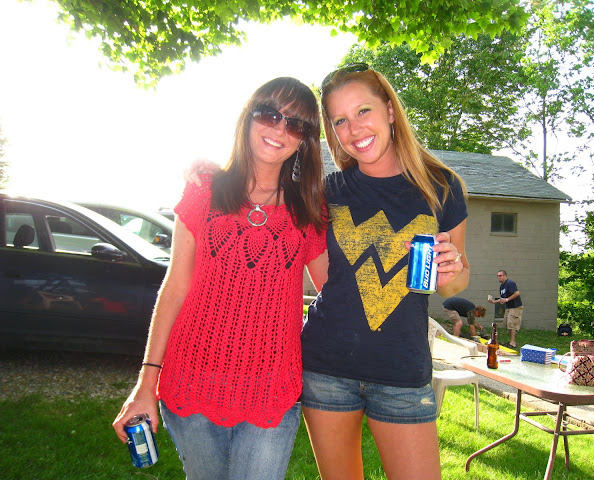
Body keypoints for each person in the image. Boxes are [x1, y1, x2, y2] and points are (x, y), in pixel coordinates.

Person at [112, 77, 328, 480]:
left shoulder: (310, 209)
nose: (280, 129)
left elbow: (335, 293)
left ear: (305, 141)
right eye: (269, 114)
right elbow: (175, 288)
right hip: (190, 383)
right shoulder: (203, 190)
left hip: (272, 390)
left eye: (296, 124)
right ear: (248, 117)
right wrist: (145, 383)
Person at [300, 63, 470, 480]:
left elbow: (457, 282)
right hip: (326, 369)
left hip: (402, 371)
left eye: (364, 111)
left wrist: (452, 271)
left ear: (390, 110)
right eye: (340, 120)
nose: (354, 128)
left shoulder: (442, 186)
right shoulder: (327, 192)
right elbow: (327, 281)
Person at [489, 270, 523, 349]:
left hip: (515, 307)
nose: (499, 277)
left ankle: (513, 343)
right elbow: (502, 299)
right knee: (507, 324)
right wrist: (494, 302)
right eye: (498, 276)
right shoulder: (502, 286)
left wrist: (507, 300)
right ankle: (511, 341)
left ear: (505, 276)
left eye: (500, 276)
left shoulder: (510, 283)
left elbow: (517, 293)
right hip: (509, 307)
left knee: (512, 324)